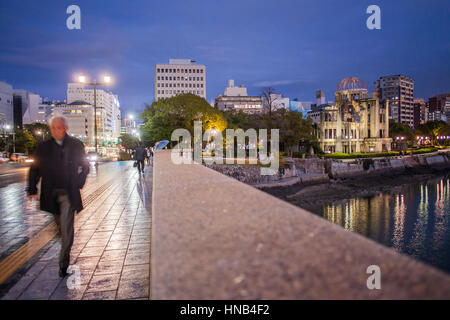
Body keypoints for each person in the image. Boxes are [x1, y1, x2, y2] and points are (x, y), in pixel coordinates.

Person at [27, 116, 90, 278]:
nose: (55, 130)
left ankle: (63, 264)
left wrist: (78, 182)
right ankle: (60, 233)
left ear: (65, 128)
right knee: (60, 228)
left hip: (69, 192)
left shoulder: (75, 145)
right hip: (50, 193)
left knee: (67, 228)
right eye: (53, 128)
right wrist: (32, 188)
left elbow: (85, 166)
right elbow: (35, 168)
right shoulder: (44, 147)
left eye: (59, 127)